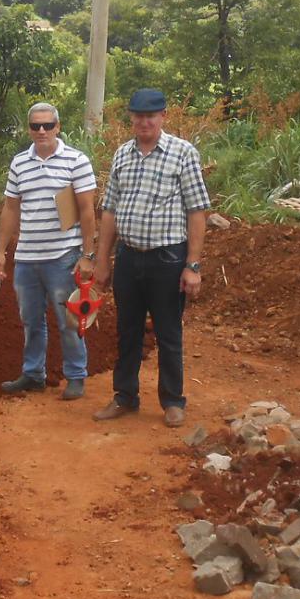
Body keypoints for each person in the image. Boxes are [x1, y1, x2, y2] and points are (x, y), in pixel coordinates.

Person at [91, 89, 210, 428]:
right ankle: (125, 397)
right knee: (126, 331)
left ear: (163, 117)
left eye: (151, 116)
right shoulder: (122, 155)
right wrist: (103, 260)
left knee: (168, 332)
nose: (144, 121)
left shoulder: (182, 153)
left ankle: (173, 401)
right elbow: (110, 210)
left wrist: (193, 265)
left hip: (167, 259)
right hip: (129, 258)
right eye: (138, 116)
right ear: (131, 118)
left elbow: (197, 211)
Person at [0, 103, 98, 400]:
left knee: (69, 319)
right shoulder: (19, 163)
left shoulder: (76, 160)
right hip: (27, 257)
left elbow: (88, 211)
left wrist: (87, 255)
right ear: (29, 129)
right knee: (30, 319)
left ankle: (76, 375)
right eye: (36, 126)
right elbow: (11, 208)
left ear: (58, 127)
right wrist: (2, 251)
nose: (42, 131)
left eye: (47, 125)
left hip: (62, 256)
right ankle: (33, 373)